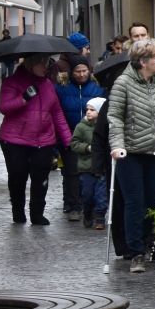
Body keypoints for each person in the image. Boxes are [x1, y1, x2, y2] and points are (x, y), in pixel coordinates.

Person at [106, 39, 155, 272]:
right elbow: (115, 116)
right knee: (135, 202)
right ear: (144, 61)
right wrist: (117, 144)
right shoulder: (123, 83)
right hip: (131, 152)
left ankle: (150, 242)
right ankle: (135, 251)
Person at [0, 55, 71, 226]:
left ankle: (37, 213)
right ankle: (18, 211)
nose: (45, 67)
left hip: (43, 140)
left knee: (41, 178)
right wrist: (23, 98)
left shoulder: (47, 85)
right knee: (18, 176)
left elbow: (57, 113)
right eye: (42, 64)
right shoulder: (12, 82)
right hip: (15, 140)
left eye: (46, 63)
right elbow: (4, 107)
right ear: (31, 65)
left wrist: (68, 139)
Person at [54, 57, 105, 221]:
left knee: (92, 171)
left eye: (84, 70)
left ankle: (91, 205)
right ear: (71, 72)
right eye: (77, 71)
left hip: (94, 136)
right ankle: (74, 206)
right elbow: (57, 113)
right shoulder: (62, 88)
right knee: (72, 172)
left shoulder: (98, 88)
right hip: (68, 135)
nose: (81, 74)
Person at [70, 99, 109, 230]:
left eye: (92, 110)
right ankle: (87, 213)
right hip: (86, 167)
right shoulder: (81, 127)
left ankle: (100, 218)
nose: (88, 112)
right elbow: (74, 144)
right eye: (87, 109)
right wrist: (87, 148)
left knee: (101, 195)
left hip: (102, 167)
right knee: (87, 195)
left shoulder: (107, 126)